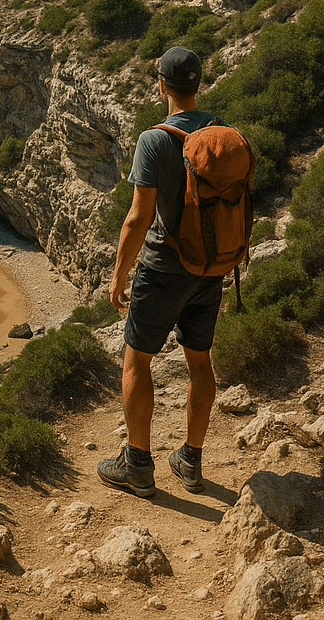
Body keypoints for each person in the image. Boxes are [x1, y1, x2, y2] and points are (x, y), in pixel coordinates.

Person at [97, 46, 220, 498]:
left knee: (136, 361)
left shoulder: (155, 140)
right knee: (200, 362)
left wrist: (118, 275)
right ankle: (190, 460)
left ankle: (138, 467)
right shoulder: (221, 132)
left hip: (164, 268)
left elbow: (137, 217)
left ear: (162, 85)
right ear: (198, 84)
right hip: (210, 268)